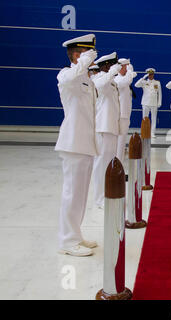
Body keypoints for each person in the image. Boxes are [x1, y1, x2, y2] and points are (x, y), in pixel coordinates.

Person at [55, 34, 98, 257]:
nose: (92, 56)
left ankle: (75, 235)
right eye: (87, 52)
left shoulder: (86, 79)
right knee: (72, 193)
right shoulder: (67, 74)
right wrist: (82, 62)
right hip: (73, 143)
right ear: (76, 54)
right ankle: (67, 241)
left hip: (85, 144)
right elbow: (67, 80)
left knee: (80, 195)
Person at [91, 52, 122, 208]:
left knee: (109, 162)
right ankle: (99, 198)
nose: (115, 67)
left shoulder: (112, 81)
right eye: (112, 64)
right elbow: (100, 86)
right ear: (106, 65)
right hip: (103, 126)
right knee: (100, 163)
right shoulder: (98, 79)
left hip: (111, 126)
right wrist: (111, 72)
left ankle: (107, 193)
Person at [114, 58, 137, 163]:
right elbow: (127, 81)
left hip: (125, 115)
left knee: (121, 143)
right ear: (122, 67)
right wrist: (130, 72)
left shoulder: (124, 79)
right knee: (119, 143)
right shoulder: (117, 79)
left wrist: (129, 73)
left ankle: (119, 165)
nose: (128, 68)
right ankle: (117, 165)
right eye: (127, 66)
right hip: (120, 115)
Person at [135, 68, 162, 137]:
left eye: (151, 74)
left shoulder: (157, 82)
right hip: (145, 102)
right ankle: (144, 132)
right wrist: (142, 78)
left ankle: (152, 133)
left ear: (153, 74)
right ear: (147, 74)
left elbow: (160, 94)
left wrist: (159, 103)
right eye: (149, 74)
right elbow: (136, 85)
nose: (150, 76)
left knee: (154, 118)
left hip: (154, 103)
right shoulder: (143, 82)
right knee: (144, 118)